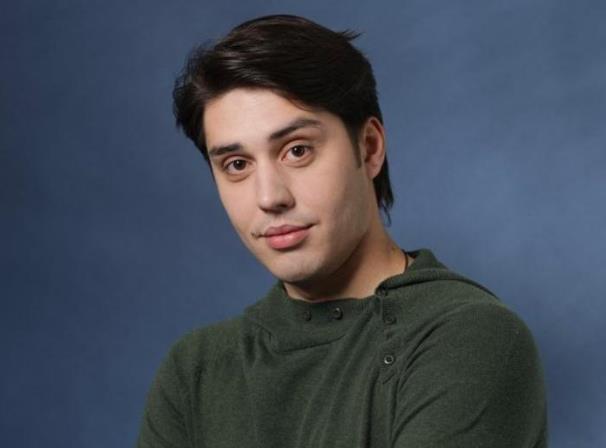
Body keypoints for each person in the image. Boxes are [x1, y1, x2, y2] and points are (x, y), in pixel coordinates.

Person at [137, 14, 548, 447]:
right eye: (236, 165)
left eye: (297, 151)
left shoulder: (469, 335)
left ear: (369, 148)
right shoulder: (195, 371)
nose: (269, 196)